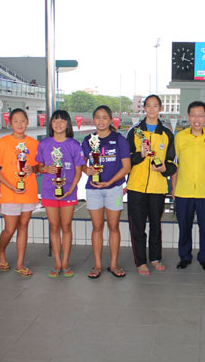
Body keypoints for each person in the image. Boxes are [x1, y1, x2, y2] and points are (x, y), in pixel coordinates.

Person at [126, 95, 177, 276]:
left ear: (160, 108)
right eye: (148, 106)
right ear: (144, 109)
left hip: (157, 187)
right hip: (136, 187)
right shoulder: (134, 132)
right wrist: (139, 154)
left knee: (156, 225)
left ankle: (155, 257)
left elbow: (172, 162)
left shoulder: (167, 133)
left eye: (155, 106)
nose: (152, 109)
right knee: (138, 226)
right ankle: (140, 261)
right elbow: (126, 161)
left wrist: (165, 168)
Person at [82, 106, 131, 279]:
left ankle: (114, 264)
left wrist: (110, 182)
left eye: (104, 117)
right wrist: (86, 170)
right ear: (93, 120)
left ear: (111, 120)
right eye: (97, 117)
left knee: (113, 227)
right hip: (93, 190)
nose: (101, 121)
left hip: (114, 189)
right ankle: (97, 265)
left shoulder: (119, 139)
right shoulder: (88, 140)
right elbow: (82, 163)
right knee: (97, 227)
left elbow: (127, 167)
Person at [36, 110, 85, 278]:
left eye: (62, 121)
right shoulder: (44, 144)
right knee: (55, 227)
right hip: (49, 192)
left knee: (66, 226)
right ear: (51, 124)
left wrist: (70, 190)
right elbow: (38, 167)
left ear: (67, 124)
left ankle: (65, 262)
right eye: (55, 121)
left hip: (68, 193)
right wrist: (44, 169)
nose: (58, 124)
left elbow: (79, 171)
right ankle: (57, 262)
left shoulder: (73, 145)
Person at [0, 108, 39, 277]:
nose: (19, 124)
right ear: (10, 123)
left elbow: (39, 167)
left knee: (23, 226)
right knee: (10, 228)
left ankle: (20, 263)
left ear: (28, 122)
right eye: (15, 121)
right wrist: (7, 187)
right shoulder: (3, 143)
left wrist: (32, 168)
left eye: (23, 121)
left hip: (28, 191)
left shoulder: (34, 144)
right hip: (10, 191)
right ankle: (1, 252)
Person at [172, 101, 205, 270]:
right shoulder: (180, 137)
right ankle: (185, 256)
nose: (197, 118)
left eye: (200, 115)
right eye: (193, 115)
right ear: (188, 117)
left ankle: (204, 257)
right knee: (184, 226)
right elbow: (174, 165)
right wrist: (174, 189)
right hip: (184, 190)